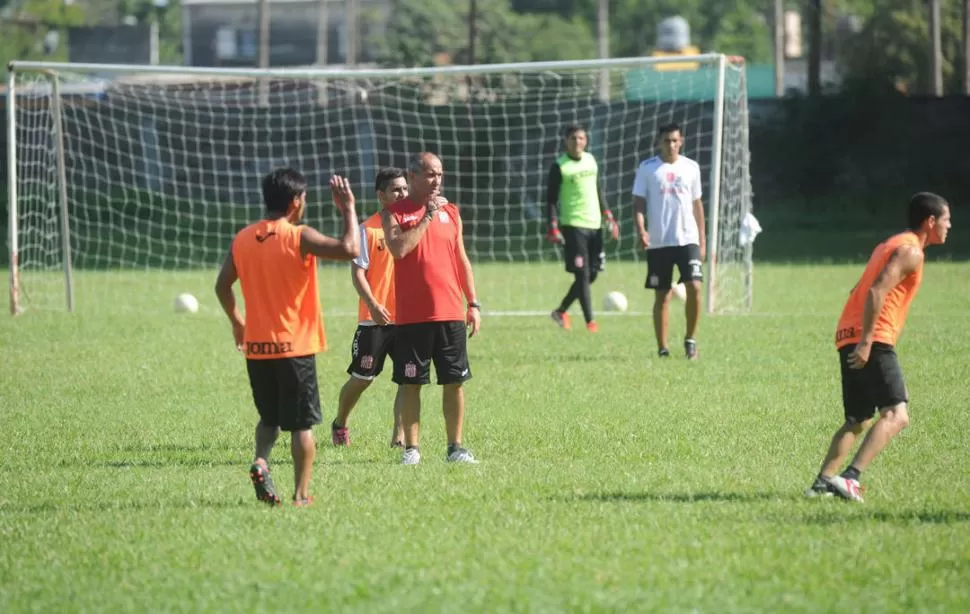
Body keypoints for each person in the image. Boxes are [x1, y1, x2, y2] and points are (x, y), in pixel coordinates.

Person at [214, 168, 360, 506]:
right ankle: (300, 494)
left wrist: (239, 323)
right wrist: (348, 208)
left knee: (269, 418)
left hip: (257, 348)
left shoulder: (243, 238)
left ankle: (261, 461)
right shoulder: (298, 236)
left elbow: (222, 285)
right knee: (301, 425)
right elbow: (350, 248)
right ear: (296, 202)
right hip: (294, 348)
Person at [806, 193, 951, 503]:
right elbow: (876, 291)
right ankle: (851, 478)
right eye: (946, 219)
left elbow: (856, 289)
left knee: (858, 418)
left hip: (848, 334)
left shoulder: (889, 243)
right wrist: (867, 341)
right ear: (930, 221)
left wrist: (855, 337)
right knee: (897, 415)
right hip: (872, 338)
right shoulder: (911, 250)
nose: (949, 225)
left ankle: (822, 483)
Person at [381, 152, 481, 465]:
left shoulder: (451, 212)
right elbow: (399, 249)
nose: (436, 180)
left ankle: (455, 447)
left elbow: (461, 259)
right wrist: (426, 217)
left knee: (454, 382)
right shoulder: (393, 212)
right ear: (412, 177)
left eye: (439, 174)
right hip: (413, 316)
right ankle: (412, 449)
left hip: (450, 312)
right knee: (411, 384)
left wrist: (473, 303)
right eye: (429, 174)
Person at [331, 167, 408, 448]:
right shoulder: (368, 230)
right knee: (362, 378)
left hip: (408, 319)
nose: (402, 194)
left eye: (404, 188)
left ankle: (399, 438)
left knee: (407, 380)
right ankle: (340, 423)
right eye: (395, 190)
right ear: (381, 195)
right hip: (374, 319)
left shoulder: (414, 227)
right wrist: (374, 304)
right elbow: (358, 273)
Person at [632, 123, 706, 359]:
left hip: (688, 239)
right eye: (666, 141)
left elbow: (697, 205)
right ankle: (663, 348)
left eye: (675, 140)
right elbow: (638, 204)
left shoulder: (691, 167)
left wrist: (702, 239)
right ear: (659, 142)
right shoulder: (647, 169)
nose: (671, 145)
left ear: (681, 141)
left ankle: (690, 340)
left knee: (694, 287)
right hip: (659, 241)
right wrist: (642, 230)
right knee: (662, 295)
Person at [546, 124, 619, 332]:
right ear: (566, 141)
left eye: (580, 138)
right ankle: (590, 322)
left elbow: (598, 189)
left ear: (585, 141)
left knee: (593, 273)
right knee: (583, 275)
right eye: (573, 138)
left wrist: (608, 215)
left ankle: (560, 311)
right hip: (573, 224)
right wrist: (553, 226)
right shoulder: (560, 166)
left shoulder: (591, 161)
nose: (577, 142)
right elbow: (550, 199)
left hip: (594, 225)